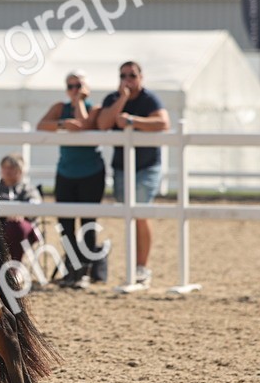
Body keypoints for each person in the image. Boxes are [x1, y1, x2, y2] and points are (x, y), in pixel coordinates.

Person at [97, 61, 170, 288]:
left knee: (140, 212)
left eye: (132, 75)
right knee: (129, 214)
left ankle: (141, 267)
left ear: (141, 76)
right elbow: (103, 124)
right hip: (121, 167)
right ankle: (134, 267)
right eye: (123, 75)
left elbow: (163, 123)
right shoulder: (113, 98)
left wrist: (132, 121)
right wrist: (121, 99)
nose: (127, 79)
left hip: (147, 165)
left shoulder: (150, 98)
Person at [36, 69, 107, 287]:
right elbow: (41, 125)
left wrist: (78, 103)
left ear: (86, 88)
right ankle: (72, 269)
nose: (74, 90)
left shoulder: (94, 108)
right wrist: (62, 124)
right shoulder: (59, 108)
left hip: (91, 173)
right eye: (71, 86)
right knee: (65, 224)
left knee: (87, 222)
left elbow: (84, 125)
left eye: (78, 86)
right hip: (66, 172)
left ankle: (84, 271)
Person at [0, 155, 42, 265]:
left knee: (16, 227)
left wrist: (22, 213)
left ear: (20, 171)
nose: (8, 171)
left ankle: (16, 266)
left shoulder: (28, 189)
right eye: (5, 167)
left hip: (22, 227)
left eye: (12, 168)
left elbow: (35, 204)